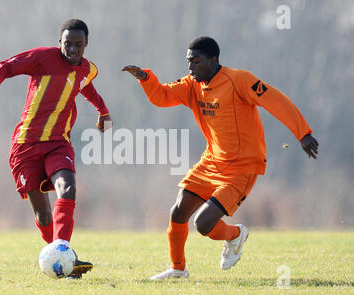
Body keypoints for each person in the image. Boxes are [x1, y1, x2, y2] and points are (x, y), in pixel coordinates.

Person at [122, 36, 318, 280]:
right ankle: (178, 269)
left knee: (203, 224)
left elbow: (275, 100)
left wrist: (303, 133)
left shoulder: (239, 80)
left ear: (213, 60)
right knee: (178, 212)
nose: (190, 67)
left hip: (242, 168)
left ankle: (236, 235)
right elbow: (162, 96)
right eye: (188, 62)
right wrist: (145, 78)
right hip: (211, 161)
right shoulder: (191, 85)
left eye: (196, 61)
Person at [0, 19, 112, 279]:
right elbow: (7, 66)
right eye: (67, 44)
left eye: (78, 45)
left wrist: (103, 111)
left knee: (68, 187)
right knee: (44, 215)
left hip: (58, 143)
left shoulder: (86, 70)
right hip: (25, 146)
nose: (72, 49)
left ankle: (64, 252)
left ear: (86, 44)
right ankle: (63, 259)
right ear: (59, 42)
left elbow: (85, 87)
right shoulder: (42, 58)